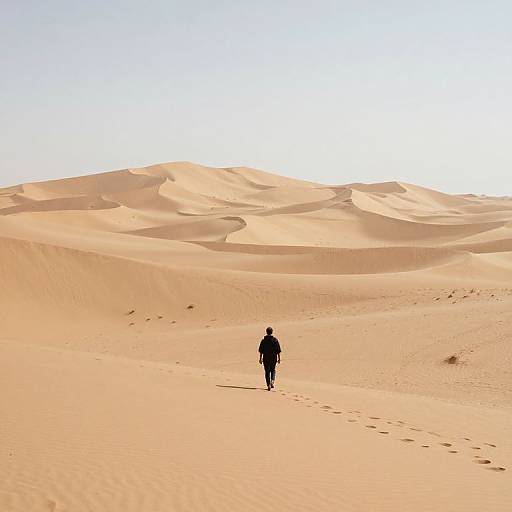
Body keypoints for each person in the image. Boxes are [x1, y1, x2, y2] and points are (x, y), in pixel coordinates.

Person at [258, 327, 281, 391]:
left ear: (266, 332)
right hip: (273, 358)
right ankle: (272, 381)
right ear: (272, 332)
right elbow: (278, 350)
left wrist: (260, 358)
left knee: (267, 372)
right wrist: (279, 358)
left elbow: (261, 351)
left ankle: (268, 385)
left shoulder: (263, 340)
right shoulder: (275, 340)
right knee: (273, 370)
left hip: (266, 358)